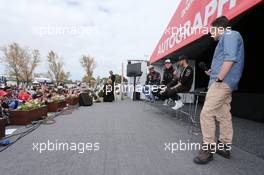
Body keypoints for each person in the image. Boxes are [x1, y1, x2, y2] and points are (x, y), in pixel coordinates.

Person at [193, 16, 245, 164]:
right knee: (223, 115)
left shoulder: (229, 34)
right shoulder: (230, 37)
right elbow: (227, 60)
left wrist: (219, 78)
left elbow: (230, 59)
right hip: (225, 81)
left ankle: (208, 149)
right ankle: (224, 147)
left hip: (222, 83)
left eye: (212, 30)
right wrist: (213, 72)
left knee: (206, 113)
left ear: (219, 28)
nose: (211, 33)